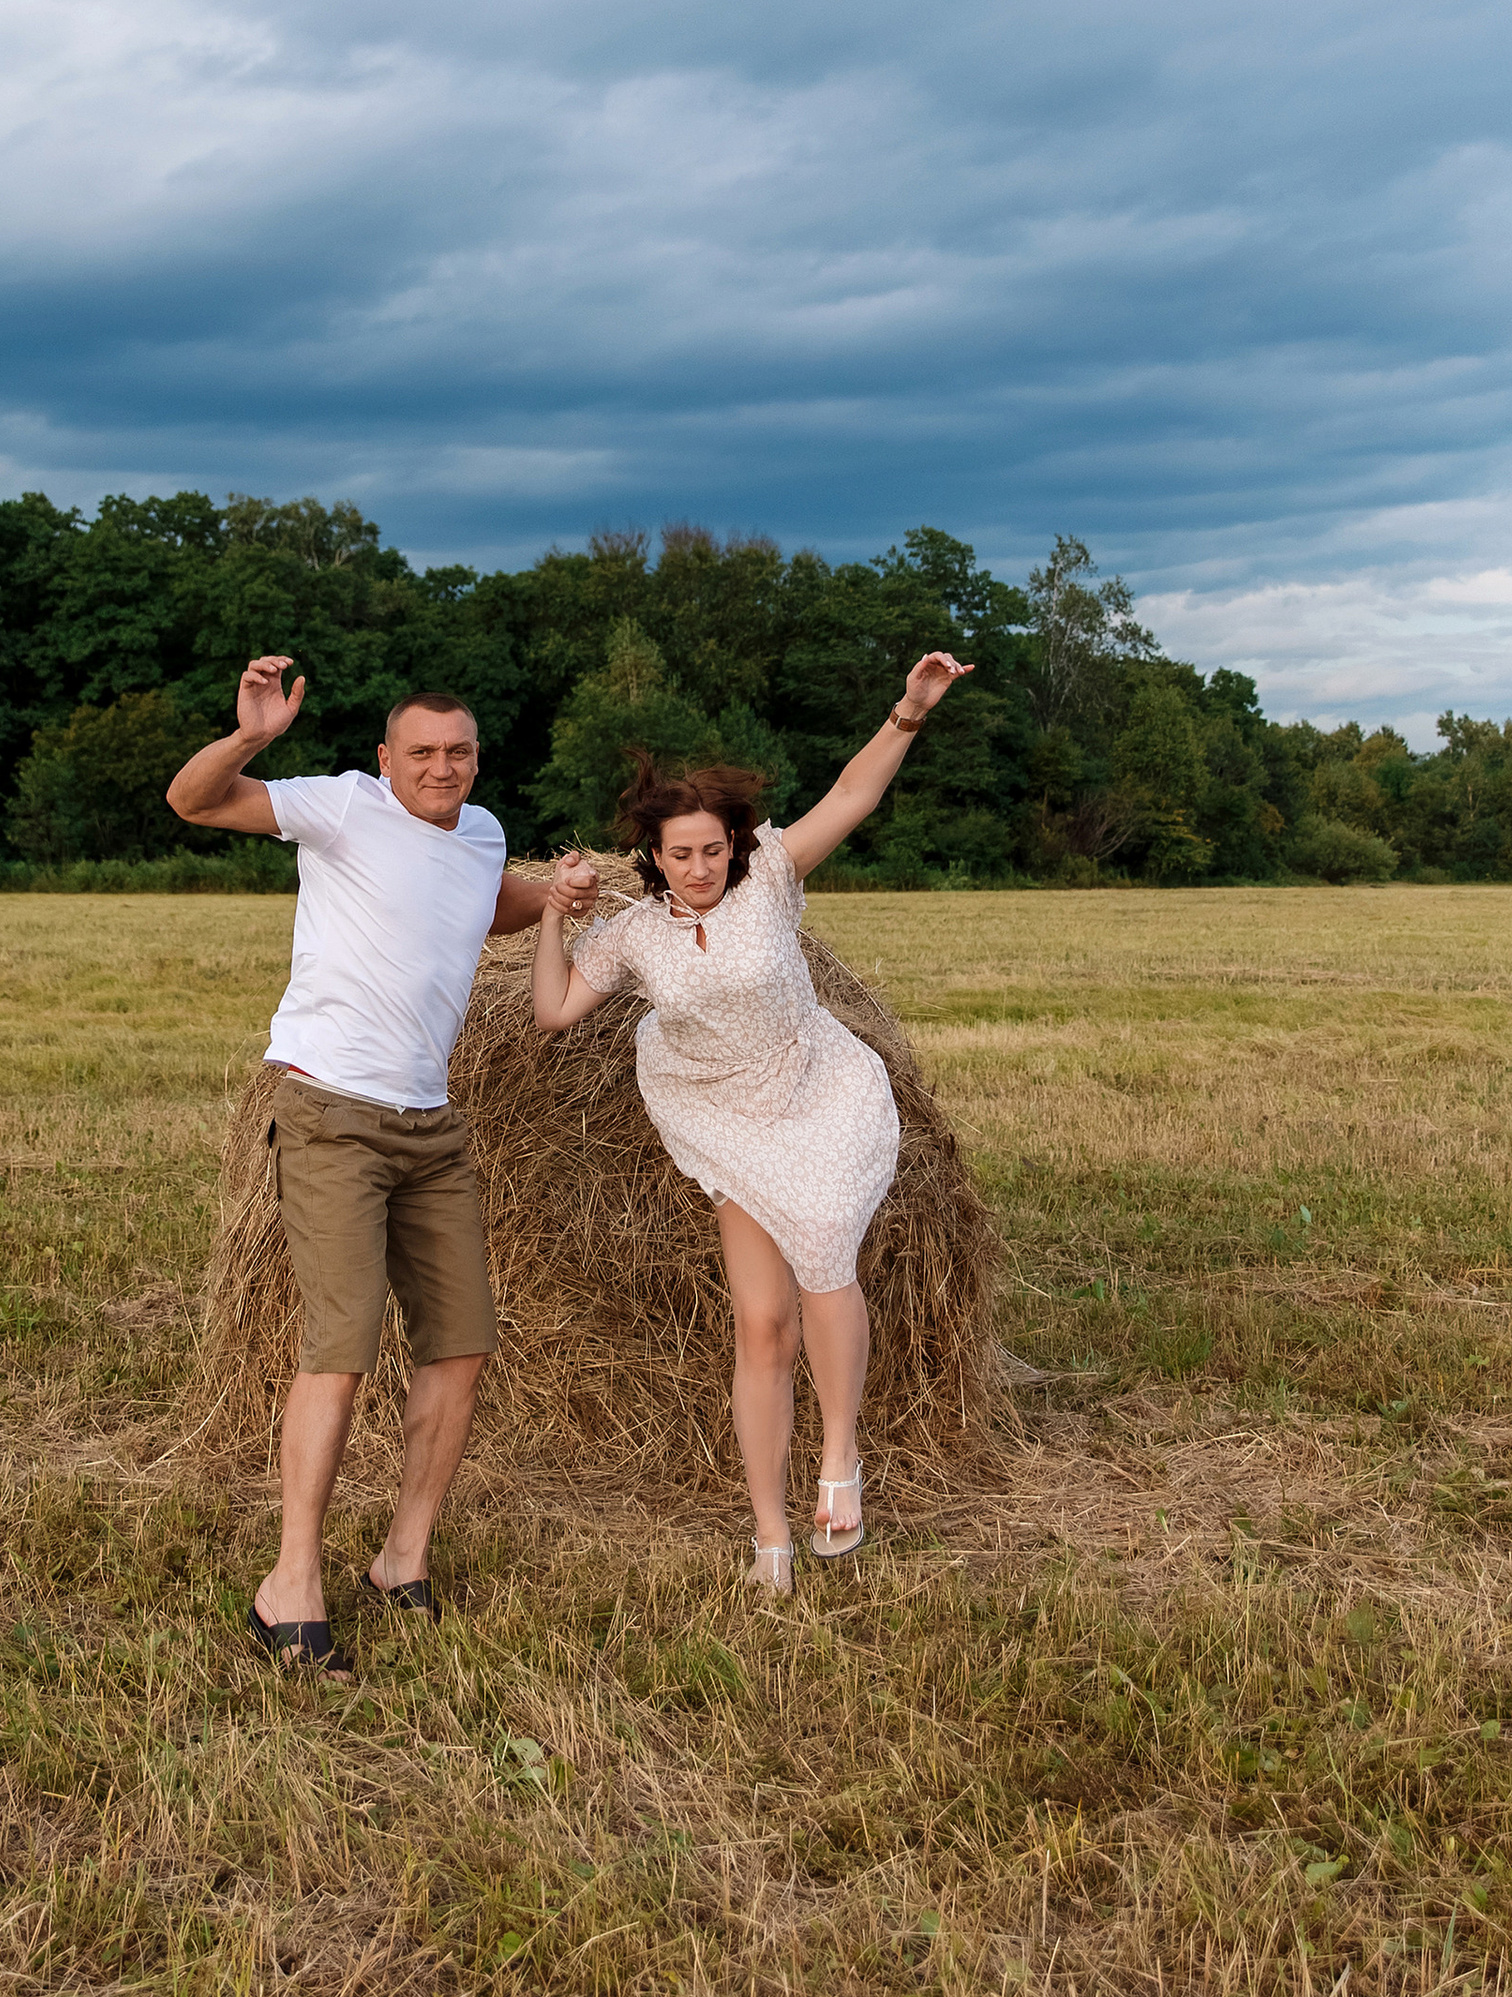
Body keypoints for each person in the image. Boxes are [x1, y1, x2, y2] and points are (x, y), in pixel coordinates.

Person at [528, 651, 972, 1595]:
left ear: (736, 842)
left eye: (712, 849)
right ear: (653, 855)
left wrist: (907, 713)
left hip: (814, 1087)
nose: (698, 867)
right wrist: (551, 920)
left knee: (821, 1252)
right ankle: (771, 1533)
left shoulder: (772, 873)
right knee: (761, 1324)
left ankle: (840, 1455)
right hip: (717, 1109)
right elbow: (554, 1014)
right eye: (679, 853)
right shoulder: (633, 934)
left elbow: (852, 795)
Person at [167, 660, 569, 1675]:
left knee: (462, 1345)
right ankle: (289, 1583)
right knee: (340, 1348)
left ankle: (402, 1558)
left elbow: (491, 903)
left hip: (430, 1128)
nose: (442, 768)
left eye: (459, 752)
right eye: (423, 753)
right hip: (331, 1113)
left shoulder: (479, 837)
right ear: (388, 759)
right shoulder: (341, 807)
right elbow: (194, 800)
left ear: (477, 760)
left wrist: (571, 899)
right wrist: (252, 736)